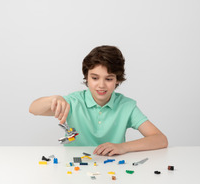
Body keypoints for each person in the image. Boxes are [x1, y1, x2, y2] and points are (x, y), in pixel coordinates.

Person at [29, 45, 168, 156]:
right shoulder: (73, 101)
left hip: (112, 168)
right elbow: (33, 109)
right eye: (95, 78)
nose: (101, 85)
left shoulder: (127, 106)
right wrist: (53, 99)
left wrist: (122, 147)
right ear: (87, 78)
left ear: (117, 80)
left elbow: (160, 139)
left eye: (108, 79)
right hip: (74, 168)